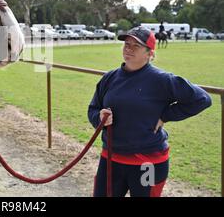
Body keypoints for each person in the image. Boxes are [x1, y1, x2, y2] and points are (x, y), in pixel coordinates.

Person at [88, 26, 212, 197]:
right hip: (111, 159)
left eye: (136, 46)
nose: (128, 48)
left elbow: (202, 99)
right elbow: (93, 108)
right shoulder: (109, 78)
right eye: (126, 44)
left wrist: (166, 116)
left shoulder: (162, 79)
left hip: (148, 162)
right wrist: (99, 117)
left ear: (149, 53)